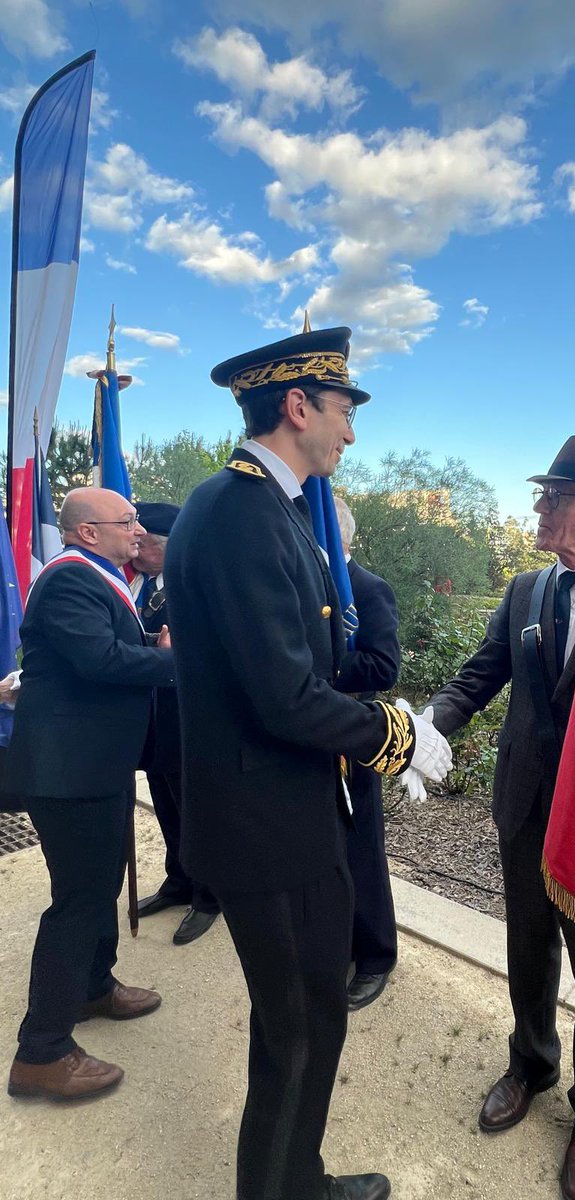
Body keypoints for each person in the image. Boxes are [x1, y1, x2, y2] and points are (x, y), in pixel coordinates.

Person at [165, 325, 452, 1200]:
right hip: (272, 830)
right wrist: (392, 734)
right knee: (301, 1026)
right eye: (341, 411)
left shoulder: (255, 506)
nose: (349, 434)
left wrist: (370, 712)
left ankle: (295, 1178)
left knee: (297, 1021)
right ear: (297, 407)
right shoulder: (246, 514)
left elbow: (292, 672)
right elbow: (286, 697)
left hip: (272, 814)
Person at [410, 436, 575, 1200]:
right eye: (541, 495)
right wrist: (427, 725)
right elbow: (480, 673)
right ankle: (531, 1063)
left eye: (555, 497)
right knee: (527, 948)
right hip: (526, 806)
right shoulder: (527, 590)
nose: (538, 508)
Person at [5, 487, 175, 1102]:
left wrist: (149, 640)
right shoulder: (70, 579)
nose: (139, 529)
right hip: (69, 774)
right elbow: (100, 660)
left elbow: (108, 649)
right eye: (126, 521)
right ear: (86, 533)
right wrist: (172, 660)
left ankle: (93, 987)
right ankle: (42, 1053)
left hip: (90, 767)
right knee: (78, 900)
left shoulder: (100, 578)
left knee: (96, 887)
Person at [131, 501, 220, 945]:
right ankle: (178, 879)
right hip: (156, 721)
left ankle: (209, 895)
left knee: (196, 813)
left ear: (165, 545)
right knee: (167, 807)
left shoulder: (194, 587)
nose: (134, 543)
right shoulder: (148, 586)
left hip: (188, 722)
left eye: (141, 539)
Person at [332, 497, 401, 1011]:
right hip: (309, 733)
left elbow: (383, 668)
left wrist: (320, 669)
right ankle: (338, 943)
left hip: (354, 735)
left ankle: (376, 956)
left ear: (343, 539)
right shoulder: (300, 584)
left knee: (361, 849)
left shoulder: (370, 589)